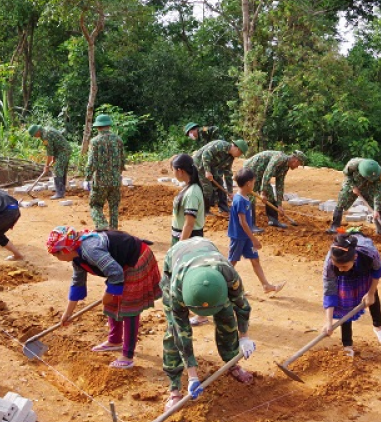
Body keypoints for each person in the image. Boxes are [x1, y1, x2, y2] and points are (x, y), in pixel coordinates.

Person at [160, 237, 256, 411]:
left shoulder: (227, 272)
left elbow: (242, 305)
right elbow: (182, 333)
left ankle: (231, 363)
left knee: (227, 318)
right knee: (173, 333)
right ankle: (174, 389)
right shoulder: (177, 288)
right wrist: (192, 377)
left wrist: (244, 337)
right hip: (177, 259)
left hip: (208, 259)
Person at [47, 226, 162, 369]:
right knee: (112, 301)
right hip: (120, 265)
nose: (57, 258)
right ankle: (115, 341)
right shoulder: (76, 257)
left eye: (57, 254)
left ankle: (127, 356)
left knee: (129, 308)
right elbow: (78, 283)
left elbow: (115, 273)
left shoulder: (91, 250)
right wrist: (68, 312)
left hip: (136, 259)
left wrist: (109, 294)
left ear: (66, 250)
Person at [321, 233, 381, 357]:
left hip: (364, 272)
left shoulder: (369, 253)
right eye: (338, 266)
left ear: (355, 257)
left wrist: (370, 293)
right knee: (345, 306)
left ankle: (378, 327)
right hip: (344, 280)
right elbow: (329, 291)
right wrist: (329, 322)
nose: (341, 269)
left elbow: (377, 270)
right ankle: (347, 344)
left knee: (372, 298)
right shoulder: (330, 263)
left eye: (344, 266)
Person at [228, 168, 286, 295]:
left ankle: (266, 285)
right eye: (254, 182)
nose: (254, 185)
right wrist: (254, 239)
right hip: (239, 237)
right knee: (232, 262)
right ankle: (221, 285)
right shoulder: (239, 200)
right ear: (248, 183)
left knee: (255, 260)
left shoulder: (245, 198)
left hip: (247, 237)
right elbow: (243, 223)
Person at [243, 150, 306, 230]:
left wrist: (279, 204)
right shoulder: (280, 158)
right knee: (251, 197)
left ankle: (273, 220)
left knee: (270, 195)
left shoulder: (285, 166)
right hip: (252, 168)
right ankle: (250, 225)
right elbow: (267, 174)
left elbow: (280, 184)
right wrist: (263, 193)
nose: (297, 166)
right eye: (299, 164)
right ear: (296, 160)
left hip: (261, 173)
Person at [84, 114, 126, 230]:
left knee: (95, 205)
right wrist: (119, 175)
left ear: (98, 127)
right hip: (115, 180)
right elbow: (122, 160)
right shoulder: (118, 140)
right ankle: (114, 231)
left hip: (100, 182)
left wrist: (87, 178)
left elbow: (92, 162)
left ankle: (102, 227)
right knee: (114, 207)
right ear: (109, 125)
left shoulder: (95, 142)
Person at [327, 158, 381, 235]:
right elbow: (347, 175)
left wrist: (376, 209)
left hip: (369, 187)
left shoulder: (379, 173)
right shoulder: (353, 164)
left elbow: (378, 192)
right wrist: (353, 187)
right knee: (342, 200)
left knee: (379, 207)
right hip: (353, 182)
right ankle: (334, 226)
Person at [192, 139, 248, 215]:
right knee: (207, 188)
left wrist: (230, 192)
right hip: (200, 165)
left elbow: (228, 173)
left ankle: (223, 208)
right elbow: (205, 154)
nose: (239, 156)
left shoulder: (230, 158)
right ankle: (205, 210)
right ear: (237, 149)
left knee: (220, 184)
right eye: (240, 153)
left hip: (212, 168)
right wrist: (207, 171)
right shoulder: (221, 145)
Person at [170, 154, 206, 246]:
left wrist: (180, 247)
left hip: (187, 241)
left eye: (173, 170)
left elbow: (189, 225)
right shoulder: (189, 188)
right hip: (184, 238)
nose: (173, 173)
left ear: (180, 171)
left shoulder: (192, 193)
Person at [28, 124, 72, 199]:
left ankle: (59, 193)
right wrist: (54, 158)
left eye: (34, 135)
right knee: (62, 170)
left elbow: (49, 153)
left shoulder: (45, 136)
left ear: (37, 131)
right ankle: (62, 190)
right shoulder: (47, 129)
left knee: (57, 170)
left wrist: (46, 166)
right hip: (64, 149)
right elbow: (54, 144)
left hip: (63, 151)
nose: (35, 137)